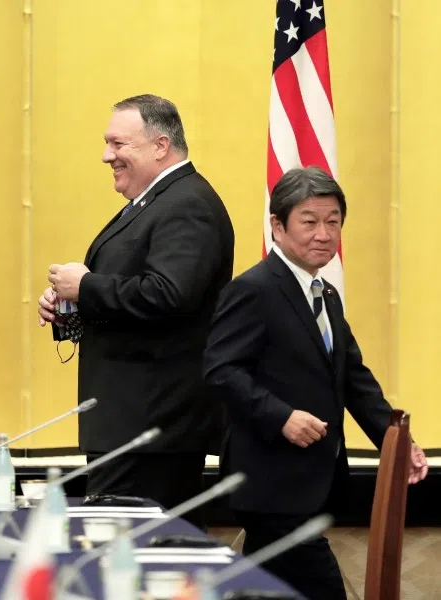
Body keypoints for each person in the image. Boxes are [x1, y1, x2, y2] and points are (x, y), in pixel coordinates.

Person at [203, 166, 429, 600]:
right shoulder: (254, 289)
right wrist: (281, 417)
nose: (324, 234)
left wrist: (397, 443)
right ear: (277, 226)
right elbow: (220, 370)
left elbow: (354, 379)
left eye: (333, 222)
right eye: (309, 221)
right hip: (271, 482)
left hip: (311, 483)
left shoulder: (325, 293)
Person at [37, 94, 235, 524]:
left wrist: (86, 286)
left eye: (118, 144)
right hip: (131, 425)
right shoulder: (156, 202)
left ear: (160, 146)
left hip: (154, 430)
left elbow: (169, 294)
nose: (106, 155)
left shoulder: (187, 205)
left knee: (136, 552)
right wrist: (70, 305)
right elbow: (139, 294)